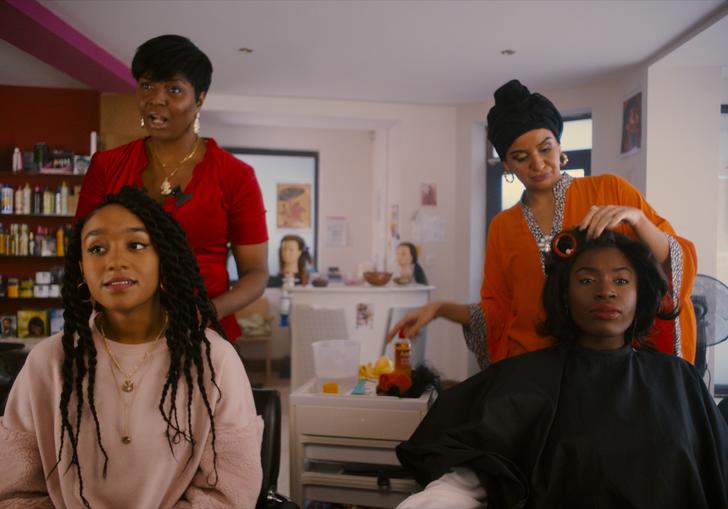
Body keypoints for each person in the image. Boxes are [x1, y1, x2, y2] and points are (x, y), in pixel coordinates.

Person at [396, 229, 728, 509]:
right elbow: (465, 482)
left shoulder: (679, 380)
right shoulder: (526, 380)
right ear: (565, 296)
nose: (606, 290)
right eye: (586, 279)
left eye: (622, 279)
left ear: (640, 295)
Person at [387, 79, 696, 368]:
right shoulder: (503, 226)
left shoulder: (609, 190)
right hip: (533, 371)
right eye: (521, 156)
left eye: (545, 148)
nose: (537, 163)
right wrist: (439, 309)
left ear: (560, 148)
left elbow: (671, 264)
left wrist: (638, 219)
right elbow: (497, 314)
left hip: (608, 367)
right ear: (506, 164)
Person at [0, 187, 262, 508]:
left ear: (163, 260)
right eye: (96, 249)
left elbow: (231, 494)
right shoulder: (49, 361)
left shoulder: (214, 359)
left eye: (136, 245)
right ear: (81, 269)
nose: (115, 261)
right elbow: (15, 492)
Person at [75, 34, 268, 342]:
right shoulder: (106, 166)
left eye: (174, 89)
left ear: (200, 98)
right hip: (120, 336)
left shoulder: (236, 176)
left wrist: (207, 311)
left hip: (202, 338)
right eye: (147, 85)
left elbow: (256, 274)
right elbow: (82, 251)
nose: (156, 98)